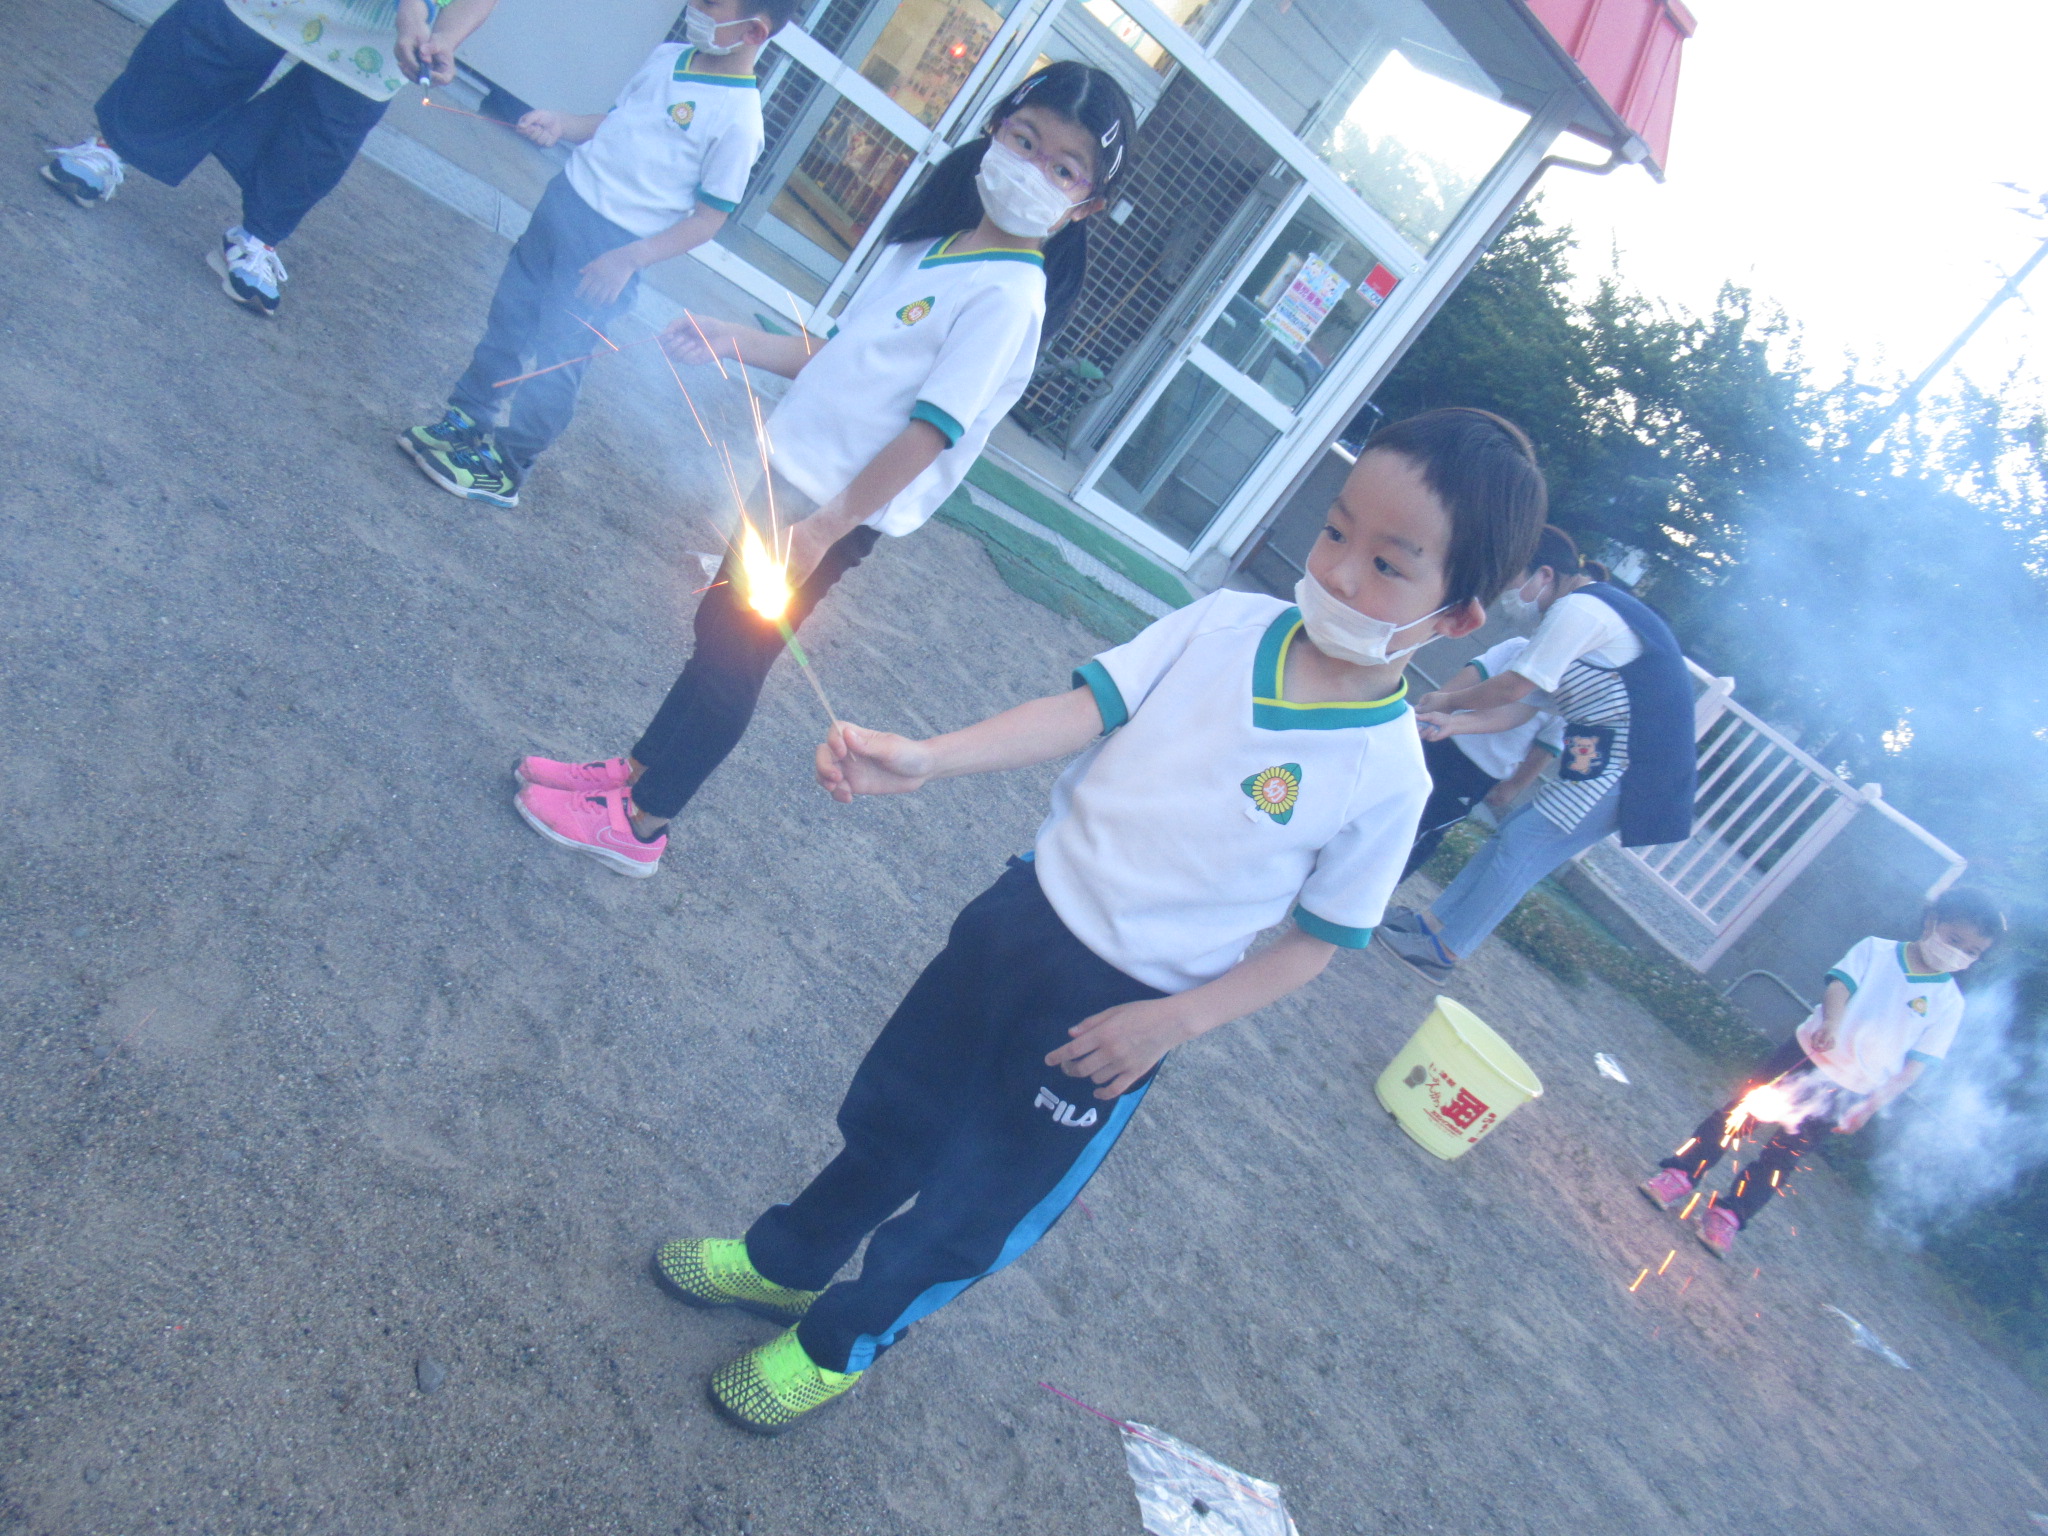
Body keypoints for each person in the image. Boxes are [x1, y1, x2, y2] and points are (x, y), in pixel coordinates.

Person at [639, 409, 1547, 1434]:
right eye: (1335, 530)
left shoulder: (1387, 774)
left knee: (973, 1204)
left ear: (1456, 616)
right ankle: (786, 1261)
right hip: (1018, 919)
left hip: (1116, 1016)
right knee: (894, 1114)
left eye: (1387, 564)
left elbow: (1317, 943)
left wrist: (1174, 1022)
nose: (1337, 572)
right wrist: (930, 757)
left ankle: (836, 1344)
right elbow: (1087, 709)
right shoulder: (1223, 625)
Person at [508, 62, 1137, 876]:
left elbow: (933, 431)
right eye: (1025, 140)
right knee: (716, 633)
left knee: (733, 661)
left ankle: (642, 824)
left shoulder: (1009, 297)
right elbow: (839, 354)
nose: (1033, 169)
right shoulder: (936, 245)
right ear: (994, 130)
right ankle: (635, 772)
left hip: (829, 512)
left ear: (1085, 204)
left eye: (1063, 168)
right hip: (790, 479)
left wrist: (824, 530)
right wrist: (738, 340)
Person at [399, 0, 788, 508]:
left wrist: (629, 260)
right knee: (510, 320)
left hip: (611, 250)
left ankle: (507, 468)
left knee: (557, 360)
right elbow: (614, 123)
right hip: (565, 201)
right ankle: (467, 420)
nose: (694, 6)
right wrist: (562, 123)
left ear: (754, 30)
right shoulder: (669, 56)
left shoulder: (740, 121)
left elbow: (707, 221)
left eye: (710, 3)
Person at [1378, 525, 1696, 980]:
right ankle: (1432, 924)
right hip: (1602, 755)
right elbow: (1522, 708)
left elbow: (1511, 687)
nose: (1509, 596)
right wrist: (1455, 723)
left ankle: (1444, 952)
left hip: (1634, 770)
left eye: (1514, 582)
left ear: (1544, 575)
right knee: (1512, 838)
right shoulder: (1585, 615)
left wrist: (1448, 701)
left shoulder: (1581, 610)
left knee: (1523, 847)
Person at [43, 0, 498, 316]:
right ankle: (113, 148)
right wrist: (412, 10)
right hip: (397, 14)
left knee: (330, 123)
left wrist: (445, 38)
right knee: (211, 45)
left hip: (386, 29)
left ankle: (259, 237)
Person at [1641, 888, 2004, 1258]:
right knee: (1739, 1115)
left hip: (1848, 1091)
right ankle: (1681, 1174)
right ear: (1931, 922)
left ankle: (1729, 1215)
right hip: (1805, 1055)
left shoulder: (1949, 1004)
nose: (1959, 953)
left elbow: (1915, 1066)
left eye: (1972, 952)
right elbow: (1839, 985)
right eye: (1954, 940)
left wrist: (1870, 1106)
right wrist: (1832, 1022)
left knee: (1785, 1155)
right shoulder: (1876, 950)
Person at [1398, 631, 1561, 880]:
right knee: (1389, 799)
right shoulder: (1517, 647)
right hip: (1438, 740)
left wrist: (1513, 787)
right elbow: (1468, 678)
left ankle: (1385, 887)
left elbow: (1545, 749)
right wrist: (1426, 714)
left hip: (1478, 773)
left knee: (1427, 828)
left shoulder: (1568, 693)